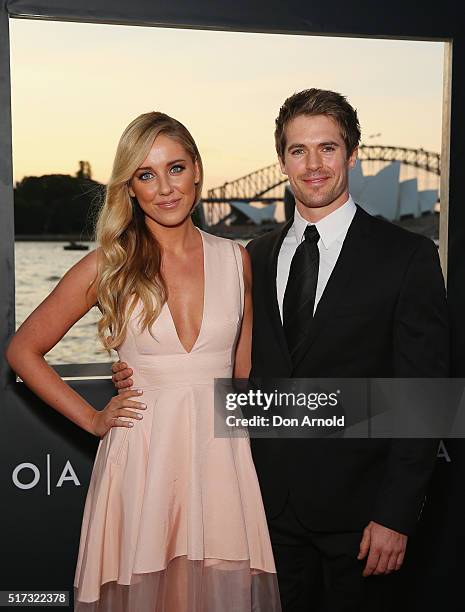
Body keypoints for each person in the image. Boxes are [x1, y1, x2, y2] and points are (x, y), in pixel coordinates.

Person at [112, 90, 449, 611]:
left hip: (362, 523)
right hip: (260, 512)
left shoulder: (406, 256)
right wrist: (140, 370)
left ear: (352, 154)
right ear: (282, 159)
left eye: (328, 148)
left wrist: (397, 514)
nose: (313, 165)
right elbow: (234, 368)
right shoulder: (252, 258)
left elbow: (423, 396)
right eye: (298, 151)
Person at [5, 112, 281, 612]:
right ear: (130, 188)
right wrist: (93, 418)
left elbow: (240, 378)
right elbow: (23, 350)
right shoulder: (108, 265)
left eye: (175, 168)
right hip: (144, 457)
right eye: (145, 175)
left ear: (197, 169)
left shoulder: (235, 258)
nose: (165, 189)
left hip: (220, 460)